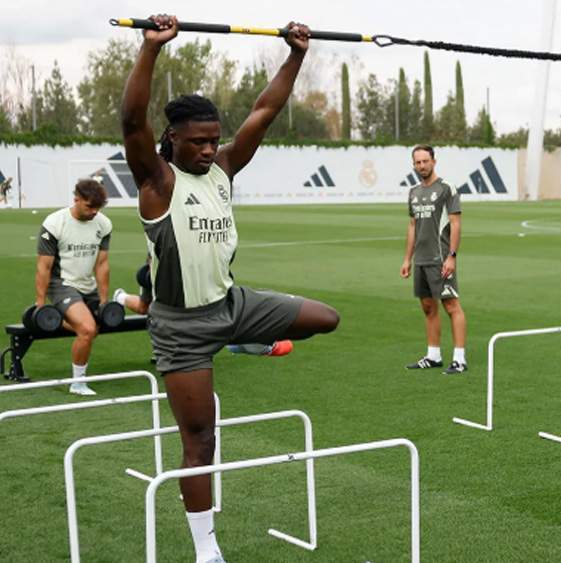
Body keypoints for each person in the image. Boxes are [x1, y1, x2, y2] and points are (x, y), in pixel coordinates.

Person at [121, 15, 339, 563]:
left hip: (232, 305)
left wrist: (295, 56)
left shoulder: (221, 169)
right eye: (197, 141)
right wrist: (151, 49)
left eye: (214, 140)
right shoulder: (158, 180)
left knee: (325, 318)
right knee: (201, 441)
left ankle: (245, 339)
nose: (207, 149)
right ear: (172, 139)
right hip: (183, 328)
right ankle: (207, 549)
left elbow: (263, 114)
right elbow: (131, 121)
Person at [113, 262, 293, 356]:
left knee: (204, 309)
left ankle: (248, 345)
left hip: (179, 271)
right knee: (152, 308)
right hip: (158, 274)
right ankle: (121, 297)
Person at [35, 179, 113, 396]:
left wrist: (104, 300)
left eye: (98, 207)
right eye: (89, 206)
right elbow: (44, 266)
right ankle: (77, 383)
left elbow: (102, 264)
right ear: (76, 199)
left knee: (96, 327)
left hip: (87, 284)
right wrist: (40, 306)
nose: (94, 212)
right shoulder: (54, 224)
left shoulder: (103, 224)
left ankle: (62, 320)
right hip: (61, 284)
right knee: (87, 329)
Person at [400, 145, 468, 374]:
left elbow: (456, 224)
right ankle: (433, 355)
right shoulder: (413, 192)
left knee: (451, 305)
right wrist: (407, 259)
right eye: (417, 162)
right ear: (414, 165)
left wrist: (452, 256)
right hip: (421, 260)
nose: (422, 166)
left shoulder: (447, 189)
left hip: (441, 258)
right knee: (428, 307)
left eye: (425, 161)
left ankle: (459, 359)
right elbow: (412, 226)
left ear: (434, 161)